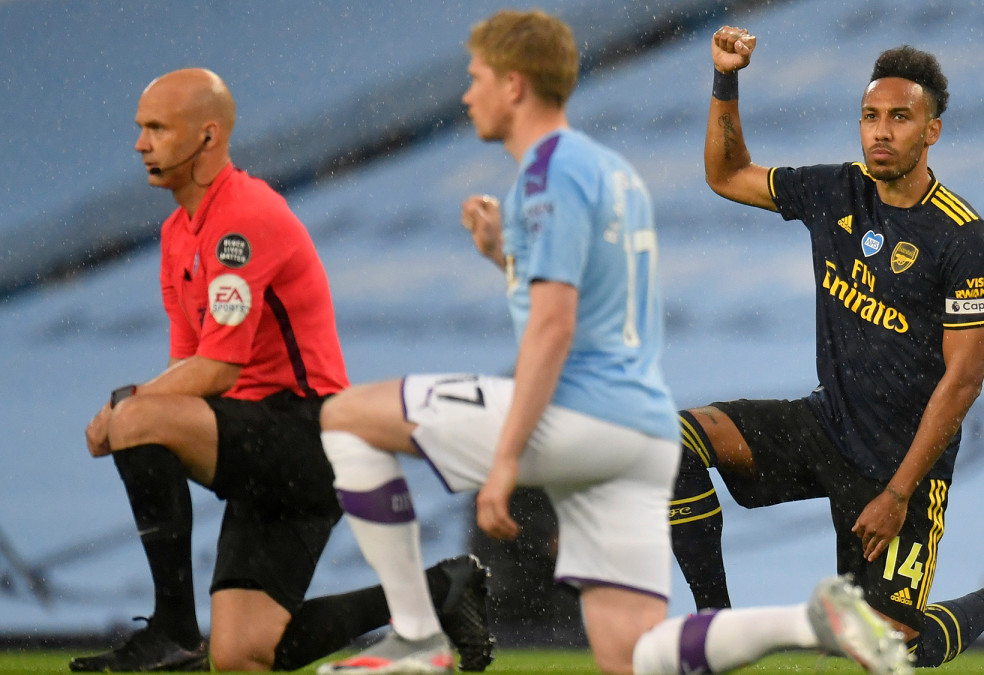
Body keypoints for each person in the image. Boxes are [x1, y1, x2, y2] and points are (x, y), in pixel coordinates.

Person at [317, 10, 911, 675]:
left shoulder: (549, 172)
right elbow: (584, 301)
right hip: (637, 431)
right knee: (630, 656)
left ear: (514, 85)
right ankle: (809, 620)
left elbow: (555, 325)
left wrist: (507, 459)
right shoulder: (608, 173)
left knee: (345, 417)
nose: (465, 94)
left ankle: (418, 630)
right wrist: (503, 258)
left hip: (575, 416)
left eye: (476, 77)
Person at [73, 68, 493, 673]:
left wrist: (123, 412)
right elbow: (187, 369)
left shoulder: (241, 217)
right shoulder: (175, 234)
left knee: (139, 419)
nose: (141, 143)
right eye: (141, 129)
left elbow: (217, 368)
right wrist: (135, 410)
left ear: (208, 136)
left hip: (307, 432)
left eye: (158, 128)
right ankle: (438, 591)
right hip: (263, 446)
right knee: (243, 654)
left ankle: (171, 628)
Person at [665, 25, 984, 670]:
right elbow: (726, 174)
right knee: (672, 440)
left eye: (900, 117)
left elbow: (963, 382)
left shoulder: (963, 237)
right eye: (870, 116)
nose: (881, 131)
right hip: (827, 427)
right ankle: (713, 632)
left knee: (892, 653)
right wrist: (725, 79)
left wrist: (897, 493)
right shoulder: (835, 191)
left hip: (905, 467)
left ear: (932, 131)